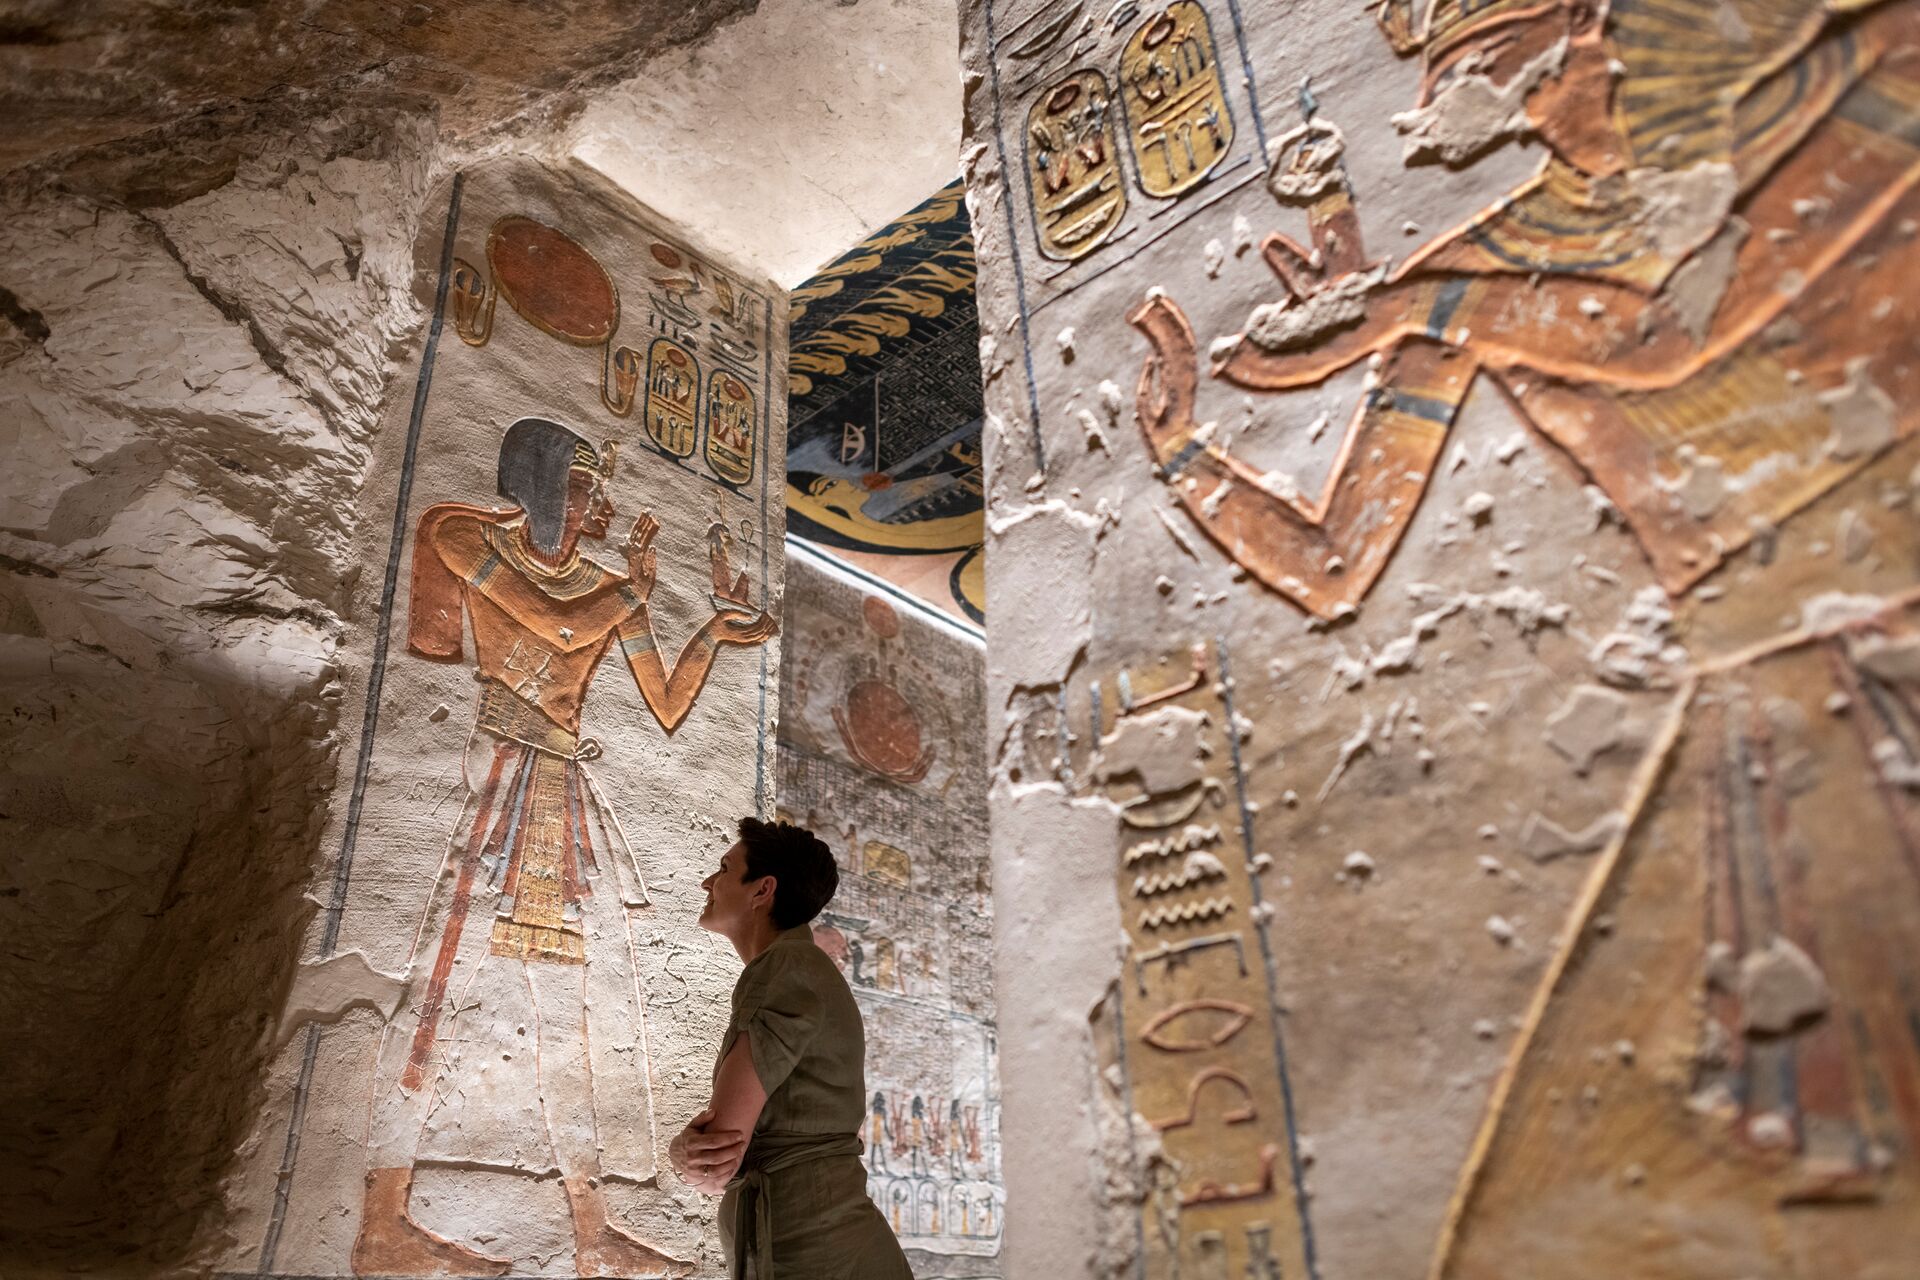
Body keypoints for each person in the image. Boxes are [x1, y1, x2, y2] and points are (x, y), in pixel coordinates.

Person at [352, 416, 775, 1277]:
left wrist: (710, 634)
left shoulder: (607, 584)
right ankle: (382, 1219)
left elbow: (665, 700)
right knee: (439, 993)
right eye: (584, 484)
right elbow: (562, 628)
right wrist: (634, 594)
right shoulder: (468, 540)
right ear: (540, 484)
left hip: (563, 798)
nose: (600, 504)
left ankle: (591, 1232)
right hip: (503, 783)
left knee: (575, 1015)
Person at [671, 819, 913, 1280]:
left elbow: (712, 1163)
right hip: (822, 1242)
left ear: (763, 890)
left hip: (813, 1250)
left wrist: (682, 1151)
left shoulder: (783, 966)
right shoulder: (798, 965)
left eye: (724, 868)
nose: (708, 882)